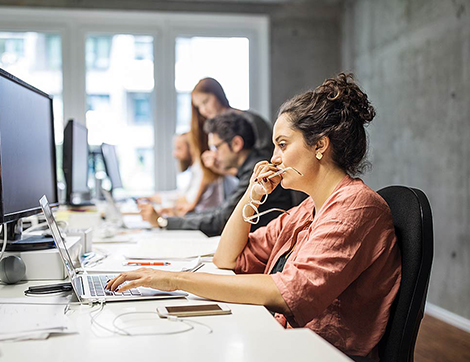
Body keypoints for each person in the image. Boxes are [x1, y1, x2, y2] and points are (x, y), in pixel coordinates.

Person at [107, 73, 402, 360]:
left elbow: (288, 293)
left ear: (320, 146)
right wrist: (252, 193)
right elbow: (227, 258)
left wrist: (174, 280)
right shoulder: (307, 210)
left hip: (319, 353)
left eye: (283, 145)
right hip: (287, 340)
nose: (273, 158)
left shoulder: (355, 208)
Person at [138, 111, 293, 236]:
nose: (213, 155)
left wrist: (164, 221)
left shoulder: (257, 170)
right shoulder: (247, 168)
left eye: (216, 148)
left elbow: (221, 220)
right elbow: (221, 211)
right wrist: (177, 219)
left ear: (236, 144)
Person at [187, 78, 274, 213]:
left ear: (218, 95)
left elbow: (261, 164)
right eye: (199, 107)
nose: (203, 110)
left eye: (206, 102)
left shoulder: (251, 121)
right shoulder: (213, 131)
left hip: (263, 198)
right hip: (234, 193)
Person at [147, 133, 223, 216]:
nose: (174, 154)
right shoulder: (195, 169)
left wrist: (161, 199)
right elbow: (184, 194)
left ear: (191, 148)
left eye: (179, 148)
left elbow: (188, 200)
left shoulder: (202, 170)